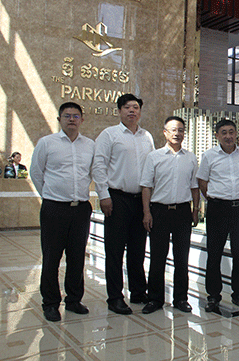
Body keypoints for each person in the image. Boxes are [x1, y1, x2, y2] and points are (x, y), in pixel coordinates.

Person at [30, 102, 94, 322]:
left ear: (82, 120)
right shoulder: (47, 143)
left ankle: (74, 300)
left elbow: (93, 172)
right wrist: (50, 196)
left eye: (76, 116)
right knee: (52, 257)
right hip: (54, 209)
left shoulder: (90, 145)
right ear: (59, 119)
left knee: (77, 256)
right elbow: (36, 172)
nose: (71, 119)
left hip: (81, 209)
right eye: (67, 116)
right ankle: (50, 303)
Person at [93, 93, 155, 315]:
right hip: (116, 199)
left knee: (138, 250)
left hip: (140, 201)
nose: (132, 111)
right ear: (119, 111)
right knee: (115, 250)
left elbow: (151, 169)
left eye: (135, 107)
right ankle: (115, 297)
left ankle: (138, 292)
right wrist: (103, 195)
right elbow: (98, 165)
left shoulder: (147, 137)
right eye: (127, 107)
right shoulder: (109, 135)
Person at [140, 116, 199, 314]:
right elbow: (146, 187)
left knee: (182, 258)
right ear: (165, 132)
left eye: (181, 130)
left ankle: (181, 298)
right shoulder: (154, 157)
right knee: (158, 258)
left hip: (182, 212)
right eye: (173, 130)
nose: (177, 133)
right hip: (159, 211)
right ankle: (155, 299)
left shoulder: (190, 158)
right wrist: (146, 212)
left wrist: (195, 210)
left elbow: (194, 187)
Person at [197, 119, 239, 314]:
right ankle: (213, 296)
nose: (228, 136)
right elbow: (202, 181)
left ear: (236, 134)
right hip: (217, 209)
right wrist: (214, 198)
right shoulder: (209, 155)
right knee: (214, 253)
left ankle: (238, 294)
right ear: (217, 136)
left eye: (231, 132)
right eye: (224, 132)